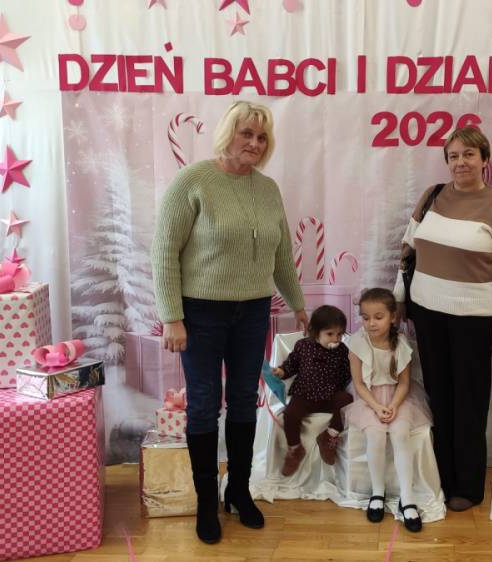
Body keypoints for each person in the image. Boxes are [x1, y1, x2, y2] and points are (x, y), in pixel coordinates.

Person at [151, 101, 308, 544]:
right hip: (200, 313)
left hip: (253, 310)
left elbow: (281, 253)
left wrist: (297, 304)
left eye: (261, 137)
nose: (254, 143)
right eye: (246, 134)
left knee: (243, 401)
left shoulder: (268, 188)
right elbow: (164, 251)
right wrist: (172, 317)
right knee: (204, 404)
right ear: (228, 134)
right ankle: (207, 501)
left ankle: (237, 490)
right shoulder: (193, 181)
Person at [394, 127, 492, 512]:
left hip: (473, 319)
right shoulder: (432, 196)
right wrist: (399, 298)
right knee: (439, 396)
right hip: (427, 313)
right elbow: (407, 250)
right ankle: (441, 477)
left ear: (484, 159)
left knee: (469, 402)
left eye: (469, 154)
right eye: (453, 156)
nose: (461, 162)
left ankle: (467, 486)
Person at [344, 288, 432, 533]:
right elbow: (359, 384)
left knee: (400, 434)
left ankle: (407, 498)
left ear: (393, 317)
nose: (371, 323)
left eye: (378, 317)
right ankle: (377, 493)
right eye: (365, 317)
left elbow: (404, 383)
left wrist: (392, 406)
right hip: (368, 398)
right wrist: (377, 406)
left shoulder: (400, 343)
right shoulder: (357, 343)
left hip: (398, 397)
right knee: (375, 436)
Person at [272, 305, 353, 475]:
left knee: (347, 401)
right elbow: (291, 365)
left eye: (339, 334)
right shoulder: (303, 346)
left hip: (329, 395)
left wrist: (338, 386)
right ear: (316, 332)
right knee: (290, 414)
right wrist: (281, 372)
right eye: (330, 334)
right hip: (304, 394)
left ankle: (329, 436)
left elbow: (347, 374)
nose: (336, 339)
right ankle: (295, 449)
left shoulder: (342, 350)